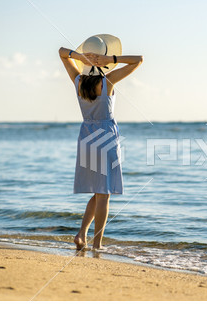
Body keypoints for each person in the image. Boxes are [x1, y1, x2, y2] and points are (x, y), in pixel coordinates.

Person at [58, 43, 143, 250]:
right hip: (106, 137)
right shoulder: (108, 82)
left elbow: (61, 52)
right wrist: (111, 59)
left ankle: (81, 234)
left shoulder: (78, 80)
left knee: (98, 192)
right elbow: (139, 59)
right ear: (102, 62)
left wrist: (79, 56)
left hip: (86, 136)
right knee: (104, 193)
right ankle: (97, 244)